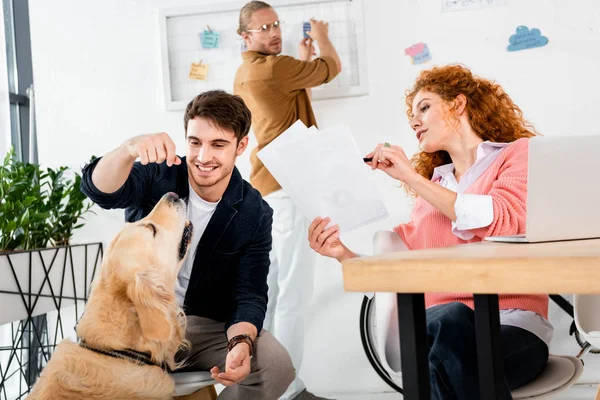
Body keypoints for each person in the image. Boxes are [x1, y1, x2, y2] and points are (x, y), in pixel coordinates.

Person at [308, 65, 553, 399]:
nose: (414, 121)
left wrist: (412, 178)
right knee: (442, 332)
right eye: (412, 115)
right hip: (438, 335)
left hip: (511, 329)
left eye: (424, 107)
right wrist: (342, 253)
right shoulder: (432, 194)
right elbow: (393, 271)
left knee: (443, 333)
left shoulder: (514, 155)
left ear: (459, 105)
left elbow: (503, 217)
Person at [80, 90, 294, 400]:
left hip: (198, 327)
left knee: (276, 365)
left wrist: (241, 344)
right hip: (133, 317)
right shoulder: (161, 174)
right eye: (195, 142)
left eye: (218, 145)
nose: (203, 157)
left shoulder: (255, 212)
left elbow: (249, 294)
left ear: (241, 146)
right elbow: (99, 191)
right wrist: (129, 149)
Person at [234, 2, 341, 399]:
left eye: (276, 24)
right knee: (293, 293)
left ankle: (262, 382)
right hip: (291, 186)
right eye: (264, 28)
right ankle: (288, 388)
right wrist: (323, 35)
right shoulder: (275, 68)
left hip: (268, 187)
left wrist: (303, 57)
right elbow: (332, 68)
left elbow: (292, 93)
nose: (274, 32)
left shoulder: (247, 72)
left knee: (272, 291)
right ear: (246, 37)